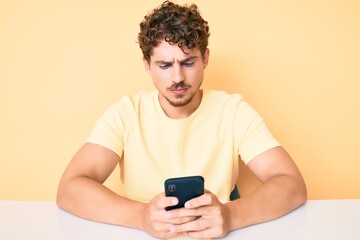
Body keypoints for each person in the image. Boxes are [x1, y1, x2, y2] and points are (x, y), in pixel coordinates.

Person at [56, 1, 307, 239]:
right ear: (147, 65)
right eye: (164, 65)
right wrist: (140, 216)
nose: (178, 77)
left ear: (205, 58)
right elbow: (69, 189)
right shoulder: (126, 113)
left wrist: (230, 215)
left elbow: (291, 185)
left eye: (188, 62)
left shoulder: (233, 111)